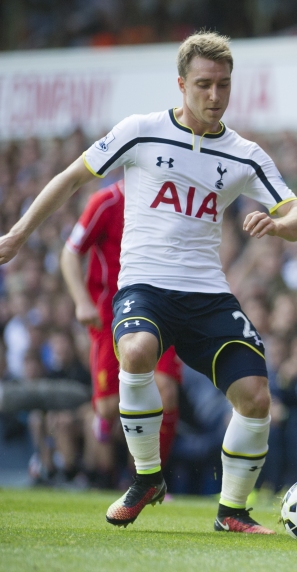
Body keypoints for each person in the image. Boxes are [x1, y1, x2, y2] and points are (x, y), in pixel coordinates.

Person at [0, 32, 297, 534]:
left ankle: (232, 511)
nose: (215, 96)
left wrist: (278, 224)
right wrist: (18, 234)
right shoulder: (140, 131)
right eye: (204, 85)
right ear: (181, 84)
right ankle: (147, 477)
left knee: (255, 395)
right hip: (144, 285)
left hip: (208, 294)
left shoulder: (244, 153)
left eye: (224, 86)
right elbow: (69, 178)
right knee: (139, 350)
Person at [61, 180, 184, 485]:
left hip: (159, 310)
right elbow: (70, 253)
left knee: (166, 390)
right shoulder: (105, 201)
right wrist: (81, 301)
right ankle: (102, 454)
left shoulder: (169, 200)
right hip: (110, 315)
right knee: (107, 407)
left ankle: (145, 480)